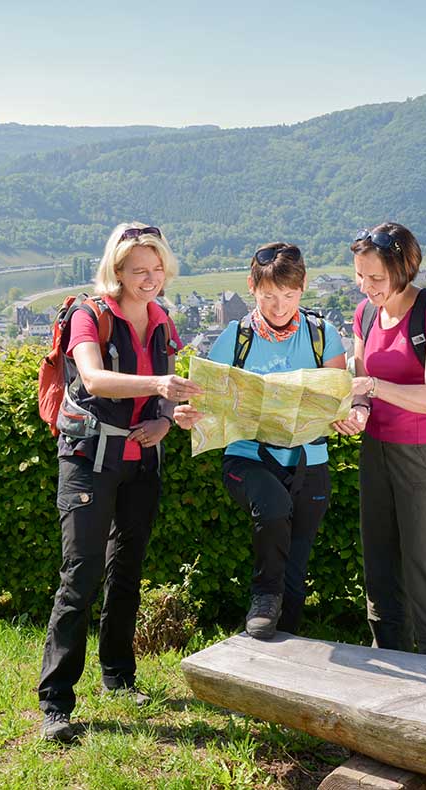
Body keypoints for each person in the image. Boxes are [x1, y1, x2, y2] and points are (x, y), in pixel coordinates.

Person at [37, 222, 203, 743]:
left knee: (127, 572)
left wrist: (167, 419)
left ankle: (118, 677)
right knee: (80, 575)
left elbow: (164, 400)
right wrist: (160, 385)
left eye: (156, 269)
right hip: (88, 457)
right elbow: (93, 378)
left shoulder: (161, 320)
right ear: (117, 270)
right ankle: (56, 703)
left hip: (141, 461)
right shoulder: (90, 315)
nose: (149, 279)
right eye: (138, 270)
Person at [174, 243, 346, 640]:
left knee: (296, 573)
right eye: (268, 295)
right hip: (248, 457)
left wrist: (348, 415)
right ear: (251, 287)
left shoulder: (323, 335)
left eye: (288, 295)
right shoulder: (236, 338)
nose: (279, 306)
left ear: (302, 288)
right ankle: (264, 596)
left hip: (309, 460)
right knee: (273, 507)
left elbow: (340, 398)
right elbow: (202, 401)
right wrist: (187, 415)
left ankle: (279, 653)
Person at [333, 222, 426, 659]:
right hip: (376, 449)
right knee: (380, 570)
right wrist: (358, 411)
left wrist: (372, 387)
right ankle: (390, 663)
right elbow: (360, 387)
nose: (365, 287)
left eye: (376, 277)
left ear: (404, 269)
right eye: (359, 276)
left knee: (423, 572)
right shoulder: (365, 314)